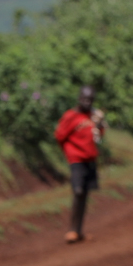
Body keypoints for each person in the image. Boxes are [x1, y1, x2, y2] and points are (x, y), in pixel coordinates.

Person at [54, 85, 106, 244]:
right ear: (79, 98)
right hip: (76, 160)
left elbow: (98, 137)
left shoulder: (93, 116)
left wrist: (100, 125)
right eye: (84, 99)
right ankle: (71, 230)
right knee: (77, 191)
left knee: (85, 194)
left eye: (90, 99)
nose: (87, 102)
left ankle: (78, 231)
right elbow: (59, 136)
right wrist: (70, 152)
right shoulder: (71, 116)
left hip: (90, 159)